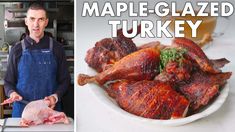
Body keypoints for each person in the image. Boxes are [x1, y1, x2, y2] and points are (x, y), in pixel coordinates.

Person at [4, 3, 71, 117]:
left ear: (46, 22)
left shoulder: (57, 48)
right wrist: (12, 93)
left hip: (49, 111)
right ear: (26, 21)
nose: (36, 24)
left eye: (40, 19)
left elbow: (65, 81)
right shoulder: (16, 50)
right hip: (22, 111)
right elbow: (8, 82)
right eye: (32, 19)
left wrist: (55, 97)